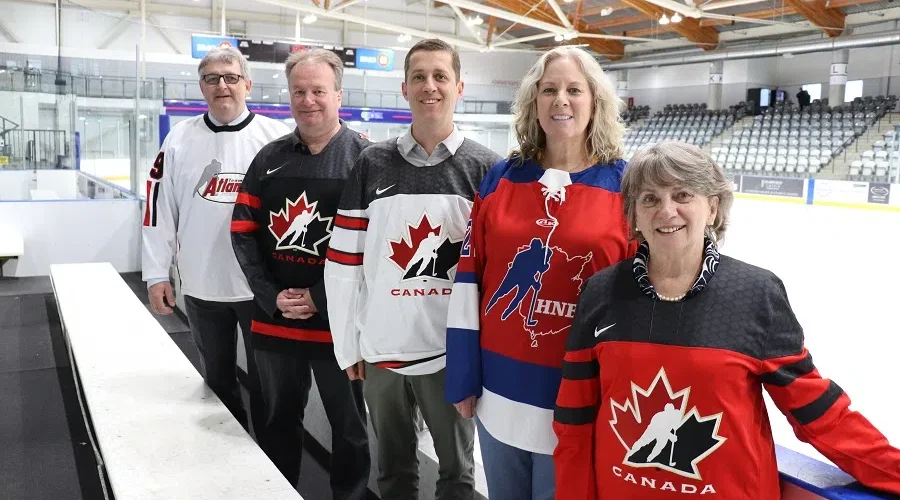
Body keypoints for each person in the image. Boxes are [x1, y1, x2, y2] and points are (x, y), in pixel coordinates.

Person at [553, 141, 900, 499]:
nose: (667, 211)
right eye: (650, 199)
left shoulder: (755, 293)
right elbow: (574, 420)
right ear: (634, 215)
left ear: (713, 208)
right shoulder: (601, 292)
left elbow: (819, 414)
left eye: (683, 195)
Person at [444, 46, 637, 500]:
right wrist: (463, 375)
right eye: (549, 90)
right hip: (500, 389)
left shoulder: (627, 186)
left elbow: (638, 298)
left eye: (574, 90)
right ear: (534, 101)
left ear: (595, 101)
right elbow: (469, 281)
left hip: (581, 393)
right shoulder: (501, 179)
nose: (560, 100)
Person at [324, 38, 502, 500]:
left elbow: (497, 277)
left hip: (451, 356)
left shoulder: (488, 169)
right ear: (404, 88)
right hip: (382, 351)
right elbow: (343, 263)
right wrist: (348, 345)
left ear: (459, 87)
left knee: (457, 476)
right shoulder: (371, 163)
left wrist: (483, 357)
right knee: (393, 474)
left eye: (440, 76)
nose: (430, 86)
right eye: (419, 77)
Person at [230, 49, 371, 499]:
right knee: (275, 422)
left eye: (318, 91)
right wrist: (270, 296)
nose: (308, 100)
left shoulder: (366, 159)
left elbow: (375, 247)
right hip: (276, 321)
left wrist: (320, 298)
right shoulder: (268, 159)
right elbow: (242, 232)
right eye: (299, 91)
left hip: (340, 327)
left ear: (339, 95)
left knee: (350, 429)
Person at [142, 46, 289, 436]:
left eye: (230, 77)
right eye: (212, 79)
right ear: (201, 87)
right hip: (203, 286)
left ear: (247, 85)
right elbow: (158, 209)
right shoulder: (179, 139)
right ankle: (228, 455)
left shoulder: (277, 138)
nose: (222, 85)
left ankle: (271, 458)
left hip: (261, 289)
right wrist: (157, 273)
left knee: (269, 386)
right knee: (219, 384)